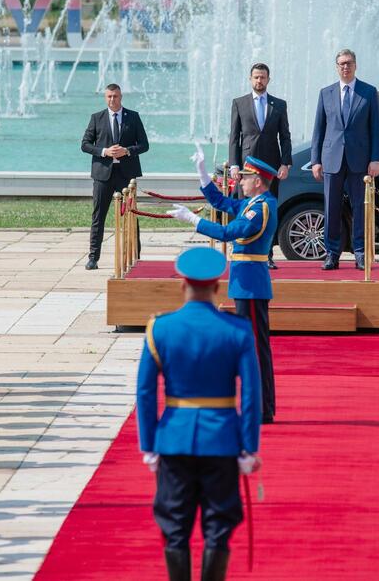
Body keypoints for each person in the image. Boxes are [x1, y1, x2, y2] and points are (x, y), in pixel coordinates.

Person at [136, 247, 262, 581]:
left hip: (173, 439)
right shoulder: (238, 330)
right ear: (218, 287)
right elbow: (251, 393)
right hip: (221, 440)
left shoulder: (159, 329)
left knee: (175, 526)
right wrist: (249, 447)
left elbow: (146, 393)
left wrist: (148, 445)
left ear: (182, 285)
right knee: (218, 526)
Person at [170, 150, 278, 424]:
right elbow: (219, 201)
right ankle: (259, 406)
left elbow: (229, 232)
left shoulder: (260, 208)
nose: (241, 181)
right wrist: (202, 172)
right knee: (252, 347)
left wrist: (194, 220)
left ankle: (261, 409)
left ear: (258, 181)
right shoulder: (253, 202)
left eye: (245, 178)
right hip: (245, 284)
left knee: (255, 349)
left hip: (250, 285)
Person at [310, 49, 379, 271]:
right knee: (331, 209)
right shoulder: (326, 93)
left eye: (349, 63)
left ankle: (360, 253)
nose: (345, 67)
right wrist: (315, 160)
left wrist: (376, 159)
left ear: (355, 65)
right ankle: (332, 254)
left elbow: (376, 129)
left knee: (360, 208)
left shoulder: (368, 92)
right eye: (341, 63)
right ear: (336, 67)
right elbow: (319, 129)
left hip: (360, 161)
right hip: (331, 160)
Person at [228, 63, 292, 269]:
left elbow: (285, 136)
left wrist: (285, 163)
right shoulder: (239, 103)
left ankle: (267, 254)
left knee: (268, 210)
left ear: (268, 79)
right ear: (250, 79)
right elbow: (234, 137)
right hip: (247, 166)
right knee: (245, 209)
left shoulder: (279, 105)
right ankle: (241, 251)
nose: (259, 80)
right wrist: (234, 164)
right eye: (256, 77)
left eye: (263, 77)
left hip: (270, 168)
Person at [80, 83, 150, 270]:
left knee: (131, 215)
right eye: (109, 96)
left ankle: (135, 257)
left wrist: (127, 150)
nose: (112, 99)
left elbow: (144, 145)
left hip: (126, 175)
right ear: (105, 98)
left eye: (115, 96)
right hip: (103, 175)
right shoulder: (97, 118)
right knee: (98, 216)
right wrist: (104, 151)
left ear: (121, 97)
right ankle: (93, 257)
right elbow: (85, 144)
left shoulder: (133, 117)